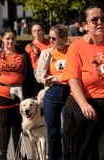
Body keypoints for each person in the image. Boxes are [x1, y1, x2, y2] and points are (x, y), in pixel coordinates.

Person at [61, 2, 104, 159]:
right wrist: (84, 105)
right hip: (84, 107)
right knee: (82, 155)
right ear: (84, 25)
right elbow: (73, 80)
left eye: (102, 19)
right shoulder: (76, 48)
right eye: (95, 19)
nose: (100, 23)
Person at [0, 27, 37, 160]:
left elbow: (29, 75)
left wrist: (32, 94)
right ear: (2, 39)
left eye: (12, 38)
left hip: (20, 95)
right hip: (1, 94)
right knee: (4, 123)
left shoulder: (22, 53)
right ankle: (3, 153)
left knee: (18, 124)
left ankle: (19, 153)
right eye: (7, 38)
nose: (10, 41)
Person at [35, 24, 70, 160]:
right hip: (52, 92)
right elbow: (39, 76)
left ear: (64, 38)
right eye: (49, 38)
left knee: (67, 129)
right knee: (52, 130)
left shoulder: (71, 53)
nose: (51, 41)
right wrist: (56, 78)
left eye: (54, 38)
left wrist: (66, 79)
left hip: (69, 92)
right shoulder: (46, 53)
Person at [25, 21, 52, 93]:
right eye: (34, 31)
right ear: (31, 32)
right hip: (35, 73)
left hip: (48, 72)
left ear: (43, 31)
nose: (37, 33)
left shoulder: (50, 44)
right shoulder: (28, 46)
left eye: (39, 30)